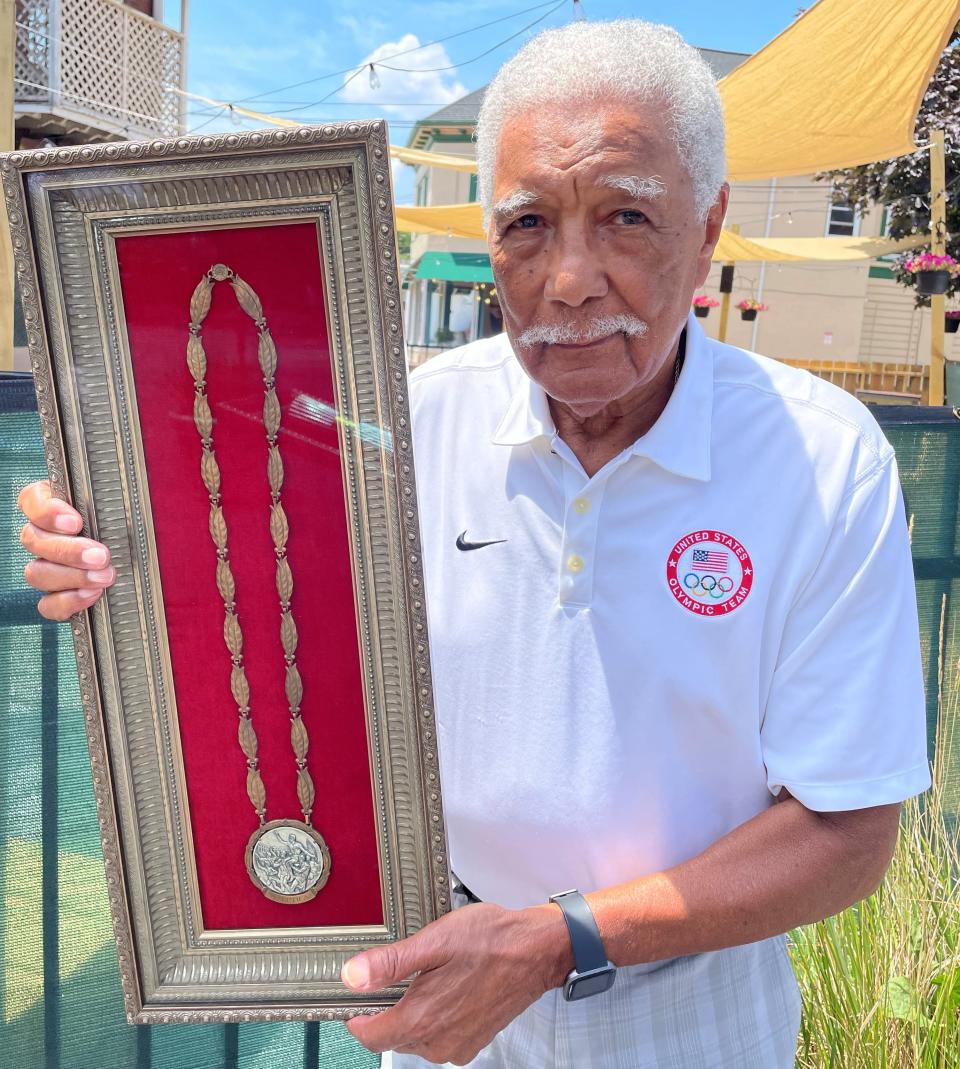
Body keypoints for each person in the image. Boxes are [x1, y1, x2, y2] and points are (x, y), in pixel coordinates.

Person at [16, 19, 931, 1069]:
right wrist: (113, 545)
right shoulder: (409, 428)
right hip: (450, 996)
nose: (571, 277)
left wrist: (557, 940)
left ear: (710, 223)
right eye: (528, 223)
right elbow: (255, 586)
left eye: (627, 216)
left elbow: (846, 833)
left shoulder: (821, 458)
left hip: (695, 1013)